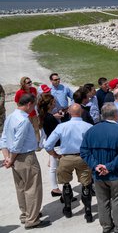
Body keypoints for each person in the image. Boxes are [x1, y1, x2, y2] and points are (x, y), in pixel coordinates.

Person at [80, 103, 118, 233]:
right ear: (116, 115)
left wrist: (96, 166)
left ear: (102, 115)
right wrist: (109, 167)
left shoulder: (91, 131)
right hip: (117, 174)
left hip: (98, 175)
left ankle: (106, 226)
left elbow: (84, 151)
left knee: (102, 201)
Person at [1, 94, 51, 229]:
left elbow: (3, 139)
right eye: (33, 105)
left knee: (21, 188)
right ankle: (32, 219)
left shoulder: (10, 117)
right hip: (25, 157)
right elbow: (18, 143)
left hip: (14, 157)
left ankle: (25, 214)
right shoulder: (23, 120)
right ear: (29, 104)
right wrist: (10, 159)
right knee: (33, 188)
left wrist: (7, 157)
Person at [44, 104, 93, 222]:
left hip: (66, 157)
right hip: (83, 157)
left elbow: (47, 145)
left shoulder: (62, 126)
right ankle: (88, 211)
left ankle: (68, 208)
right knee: (86, 185)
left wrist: (55, 155)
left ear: (69, 113)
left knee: (65, 183)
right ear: (81, 112)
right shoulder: (89, 126)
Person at [38, 92, 64, 198]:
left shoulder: (45, 116)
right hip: (56, 145)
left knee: (53, 168)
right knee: (60, 169)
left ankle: (55, 188)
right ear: (49, 104)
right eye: (53, 102)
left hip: (51, 144)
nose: (55, 104)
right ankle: (58, 189)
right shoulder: (50, 118)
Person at [15, 76, 40, 144]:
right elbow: (18, 103)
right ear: (23, 84)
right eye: (28, 82)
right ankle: (27, 143)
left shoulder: (33, 89)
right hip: (25, 115)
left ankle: (37, 143)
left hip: (33, 113)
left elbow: (36, 99)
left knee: (36, 129)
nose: (30, 83)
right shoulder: (19, 93)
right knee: (26, 130)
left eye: (30, 82)